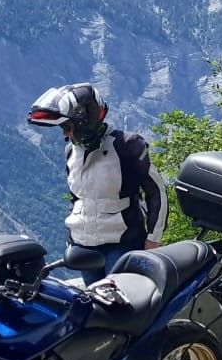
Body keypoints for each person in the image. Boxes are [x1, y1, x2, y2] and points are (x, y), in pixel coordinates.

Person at [28, 84, 168, 283]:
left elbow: (156, 192)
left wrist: (153, 240)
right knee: (94, 307)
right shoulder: (71, 152)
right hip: (82, 244)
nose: (65, 135)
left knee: (120, 307)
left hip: (122, 243)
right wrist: (71, 238)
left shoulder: (127, 145)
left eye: (67, 127)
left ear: (85, 121)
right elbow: (77, 198)